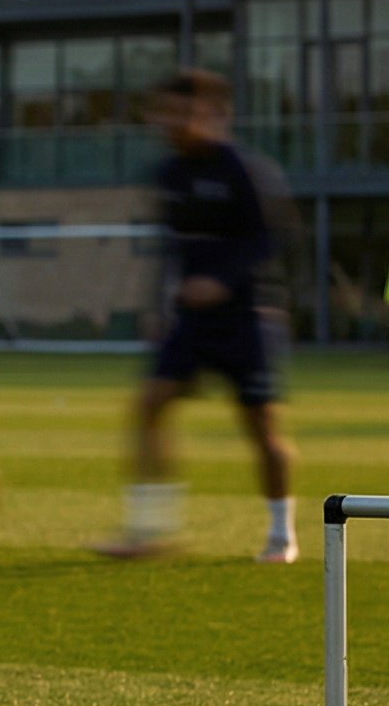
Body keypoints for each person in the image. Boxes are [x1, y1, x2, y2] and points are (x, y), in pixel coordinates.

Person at [93, 68, 301, 563]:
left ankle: (282, 535)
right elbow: (171, 249)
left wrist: (222, 280)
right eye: (166, 111)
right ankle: (147, 532)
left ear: (211, 114)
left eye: (185, 112)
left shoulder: (243, 170)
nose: (174, 121)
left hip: (246, 318)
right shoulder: (168, 174)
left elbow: (273, 238)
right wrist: (157, 305)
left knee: (262, 430)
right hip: (191, 321)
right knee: (149, 406)